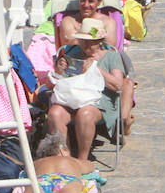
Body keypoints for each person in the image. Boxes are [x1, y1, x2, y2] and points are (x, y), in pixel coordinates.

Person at [56, 0, 136, 135]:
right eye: (83, 0)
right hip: (76, 66)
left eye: (91, 1)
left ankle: (123, 120)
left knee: (126, 83)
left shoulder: (108, 21)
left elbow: (110, 46)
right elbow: (68, 43)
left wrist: (82, 37)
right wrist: (94, 38)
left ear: (99, 2)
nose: (86, 5)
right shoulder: (69, 20)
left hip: (104, 64)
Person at [47, 17, 126, 161]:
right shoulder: (73, 54)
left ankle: (82, 160)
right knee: (55, 113)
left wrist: (97, 69)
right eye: (83, 41)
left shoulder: (112, 56)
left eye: (90, 42)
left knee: (85, 113)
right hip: (72, 100)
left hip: (100, 102)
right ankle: (65, 158)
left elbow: (118, 85)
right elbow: (54, 85)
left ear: (99, 41)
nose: (86, 45)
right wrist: (59, 70)